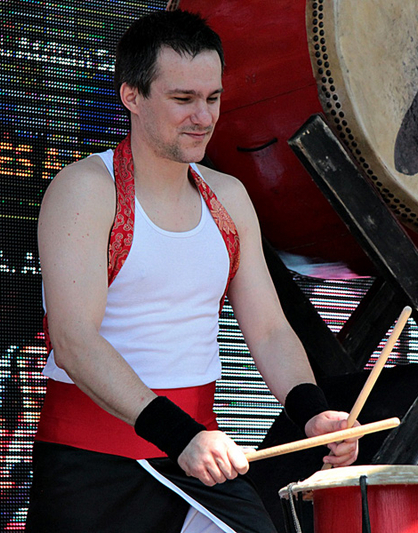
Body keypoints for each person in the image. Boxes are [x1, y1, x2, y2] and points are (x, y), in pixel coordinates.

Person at [25, 10, 358, 533]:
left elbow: (269, 330)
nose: (203, 116)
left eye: (213, 98)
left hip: (198, 457)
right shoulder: (85, 189)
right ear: (132, 95)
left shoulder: (228, 197)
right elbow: (73, 341)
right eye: (183, 99)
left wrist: (312, 411)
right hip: (94, 464)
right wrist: (179, 435)